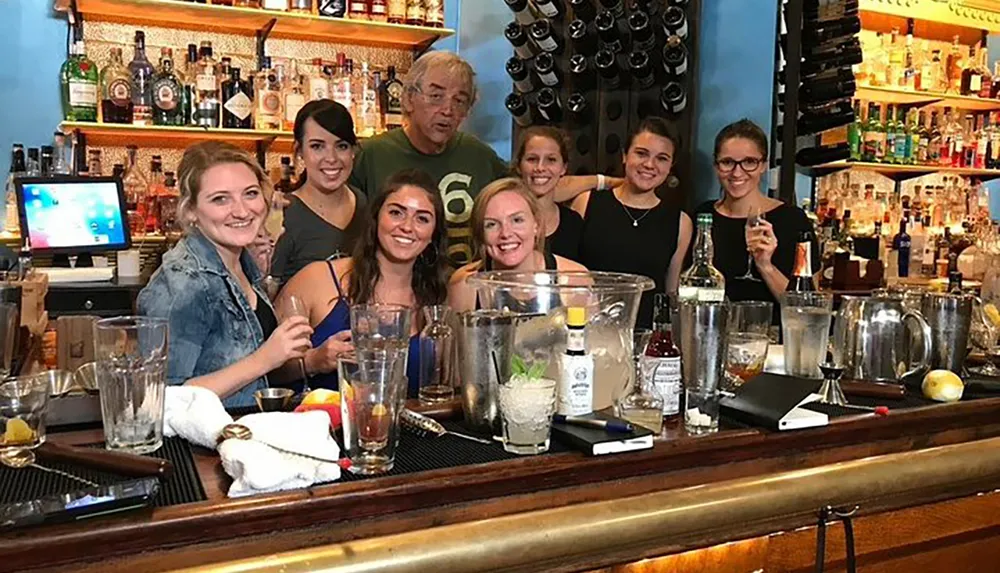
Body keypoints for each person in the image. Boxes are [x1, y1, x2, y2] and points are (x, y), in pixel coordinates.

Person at [349, 50, 617, 267]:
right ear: (408, 98)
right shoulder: (371, 155)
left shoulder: (478, 154)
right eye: (436, 95)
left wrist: (612, 183)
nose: (447, 110)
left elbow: (538, 186)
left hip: (465, 292)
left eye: (459, 101)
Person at [138, 142, 314, 408]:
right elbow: (160, 401)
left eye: (251, 194)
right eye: (220, 199)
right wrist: (265, 358)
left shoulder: (241, 262)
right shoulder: (184, 284)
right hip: (198, 448)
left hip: (241, 437)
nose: (242, 211)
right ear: (190, 211)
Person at [276, 169, 449, 397]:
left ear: (433, 234)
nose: (407, 226)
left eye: (422, 218)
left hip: (403, 429)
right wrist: (313, 361)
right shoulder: (316, 279)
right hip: (315, 426)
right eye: (396, 213)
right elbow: (265, 373)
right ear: (376, 218)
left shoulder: (439, 299)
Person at [571, 117, 692, 329]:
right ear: (625, 155)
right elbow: (567, 278)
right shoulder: (587, 203)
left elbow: (671, 294)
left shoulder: (680, 222)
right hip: (586, 333)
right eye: (641, 153)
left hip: (645, 338)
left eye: (661, 158)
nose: (649, 164)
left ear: (670, 165)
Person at [694, 118, 819, 320]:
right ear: (716, 166)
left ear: (763, 165)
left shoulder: (793, 220)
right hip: (711, 337)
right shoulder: (702, 217)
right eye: (727, 162)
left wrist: (765, 265)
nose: (737, 172)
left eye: (749, 162)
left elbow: (807, 308)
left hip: (773, 344)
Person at [449, 177, 586, 313]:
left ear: (536, 225)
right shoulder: (465, 285)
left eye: (517, 220)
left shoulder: (575, 280)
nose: (505, 233)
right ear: (481, 234)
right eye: (491, 224)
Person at [271, 99, 367, 285]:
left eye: (341, 146)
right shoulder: (281, 213)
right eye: (317, 146)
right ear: (299, 151)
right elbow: (265, 296)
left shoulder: (364, 203)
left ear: (353, 151)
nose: (331, 158)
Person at [514, 126, 584, 261]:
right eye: (532, 159)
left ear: (563, 168)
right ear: (519, 166)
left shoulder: (574, 223)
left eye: (551, 160)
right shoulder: (503, 220)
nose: (540, 168)